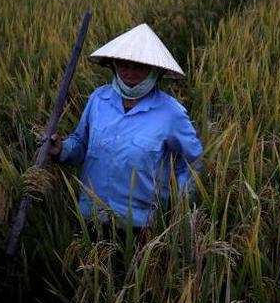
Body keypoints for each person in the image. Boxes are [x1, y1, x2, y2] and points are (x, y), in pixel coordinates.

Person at [48, 23, 203, 234]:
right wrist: (61, 149)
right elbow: (81, 144)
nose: (129, 73)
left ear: (154, 71)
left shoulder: (170, 113)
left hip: (140, 225)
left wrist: (179, 208)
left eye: (138, 67)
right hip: (90, 216)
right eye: (123, 65)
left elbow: (192, 162)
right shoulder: (98, 100)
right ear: (114, 65)